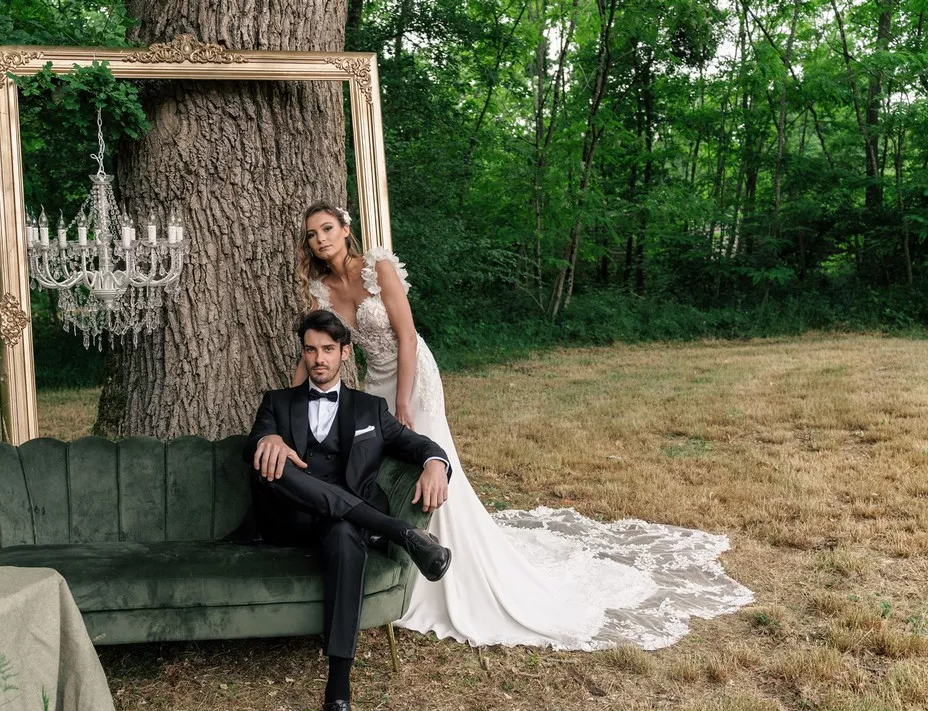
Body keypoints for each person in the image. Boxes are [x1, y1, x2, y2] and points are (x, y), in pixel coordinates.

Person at [294, 201, 756, 651]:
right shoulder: (322, 290)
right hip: (376, 382)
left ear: (345, 229)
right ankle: (405, 558)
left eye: (327, 229)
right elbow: (312, 351)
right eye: (312, 235)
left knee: (429, 462)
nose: (321, 240)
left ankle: (446, 565)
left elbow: (408, 335)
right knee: (388, 470)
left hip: (413, 377)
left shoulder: (378, 268)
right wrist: (290, 406)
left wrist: (403, 401)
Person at [245, 309, 453, 711]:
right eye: (310, 350)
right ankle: (401, 533)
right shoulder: (276, 403)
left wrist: (436, 464)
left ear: (344, 353)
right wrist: (268, 441)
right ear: (303, 354)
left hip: (340, 526)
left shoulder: (369, 410)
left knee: (344, 533)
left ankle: (338, 699)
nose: (318, 359)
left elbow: (420, 446)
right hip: (290, 520)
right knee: (272, 465)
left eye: (327, 349)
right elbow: (254, 445)